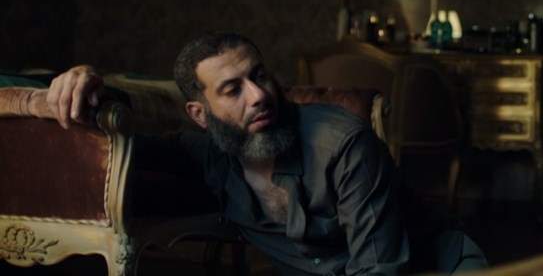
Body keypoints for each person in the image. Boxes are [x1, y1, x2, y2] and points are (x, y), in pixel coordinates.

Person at [45, 32, 486, 275]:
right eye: (232, 89)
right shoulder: (210, 156)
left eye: (259, 76)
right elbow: (121, 145)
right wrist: (88, 80)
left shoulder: (343, 144)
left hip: (439, 268)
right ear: (200, 114)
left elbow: (380, 270)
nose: (258, 95)